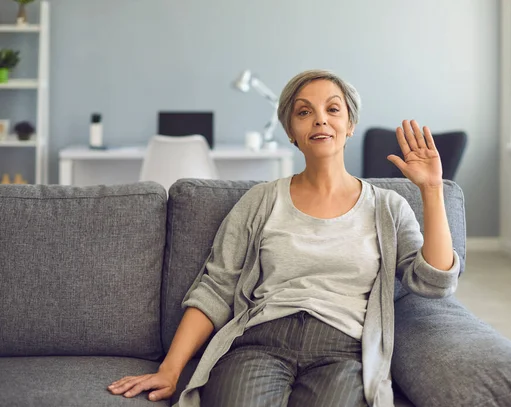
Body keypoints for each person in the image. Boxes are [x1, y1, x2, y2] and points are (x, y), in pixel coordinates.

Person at [107, 69, 460, 407]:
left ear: (350, 124)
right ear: (291, 131)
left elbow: (434, 283)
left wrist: (431, 190)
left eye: (332, 109)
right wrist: (170, 370)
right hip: (259, 342)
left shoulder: (387, 207)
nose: (320, 119)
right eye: (304, 112)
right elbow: (215, 290)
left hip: (342, 350)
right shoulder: (261, 201)